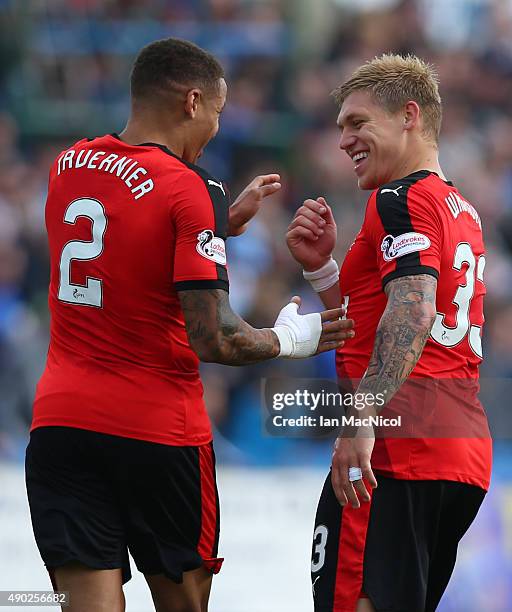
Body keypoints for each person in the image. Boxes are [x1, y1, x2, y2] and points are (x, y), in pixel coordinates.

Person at [25, 38, 355, 612]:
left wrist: (217, 224)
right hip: (156, 429)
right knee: (185, 600)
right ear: (192, 101)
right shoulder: (191, 186)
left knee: (84, 600)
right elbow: (215, 337)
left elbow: (121, 241)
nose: (218, 128)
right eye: (219, 113)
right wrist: (290, 339)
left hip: (62, 423)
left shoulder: (67, 166)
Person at [287, 54, 492, 612]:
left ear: (408, 116)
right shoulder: (461, 209)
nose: (344, 140)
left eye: (358, 123)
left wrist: (361, 420)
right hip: (460, 452)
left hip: (400, 450)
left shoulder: (398, 199)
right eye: (339, 128)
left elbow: (415, 309)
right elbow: (375, 323)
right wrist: (323, 271)